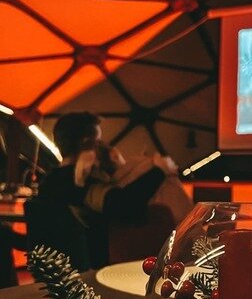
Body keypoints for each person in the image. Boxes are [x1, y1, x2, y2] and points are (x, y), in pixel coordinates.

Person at [37, 112, 177, 267]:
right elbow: (125, 206)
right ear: (87, 143)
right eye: (98, 142)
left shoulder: (50, 181)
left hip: (57, 268)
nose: (101, 147)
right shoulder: (78, 180)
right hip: (92, 271)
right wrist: (160, 170)